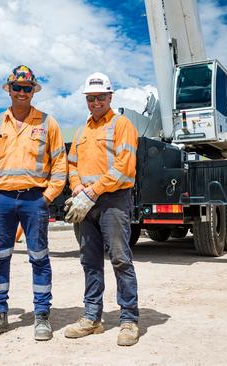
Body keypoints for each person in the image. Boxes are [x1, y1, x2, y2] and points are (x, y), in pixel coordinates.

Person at [0, 65, 67, 341]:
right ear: (9, 90)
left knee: (39, 258)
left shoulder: (48, 123)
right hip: (1, 200)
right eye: (17, 88)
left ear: (33, 91)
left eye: (27, 88)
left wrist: (47, 197)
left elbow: (59, 163)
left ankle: (41, 317)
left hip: (34, 200)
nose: (22, 93)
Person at [64, 72, 140, 346]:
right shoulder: (83, 130)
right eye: (91, 98)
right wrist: (75, 186)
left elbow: (124, 166)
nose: (95, 102)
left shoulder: (122, 125)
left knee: (120, 259)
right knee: (90, 261)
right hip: (86, 201)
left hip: (113, 201)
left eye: (100, 97)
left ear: (110, 97)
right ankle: (92, 318)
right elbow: (71, 163)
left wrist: (93, 191)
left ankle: (129, 320)